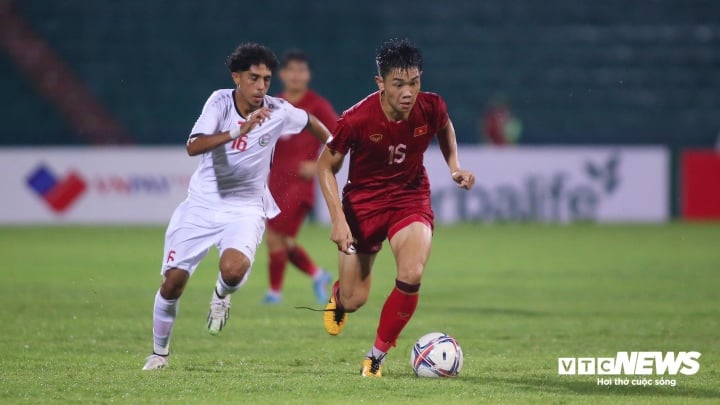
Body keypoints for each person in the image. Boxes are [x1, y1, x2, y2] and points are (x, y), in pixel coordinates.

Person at [142, 43, 331, 371]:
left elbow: (313, 122)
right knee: (172, 283)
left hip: (246, 207)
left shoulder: (278, 110)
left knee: (233, 269)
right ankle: (159, 354)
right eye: (254, 78)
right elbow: (193, 145)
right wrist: (237, 131)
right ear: (237, 77)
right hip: (201, 205)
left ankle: (221, 295)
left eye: (267, 80)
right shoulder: (219, 101)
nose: (261, 87)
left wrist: (332, 152)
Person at [316, 38, 475, 377]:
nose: (408, 92)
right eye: (398, 84)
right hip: (363, 206)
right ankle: (339, 297)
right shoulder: (356, 119)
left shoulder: (431, 107)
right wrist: (338, 220)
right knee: (354, 299)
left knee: (412, 272)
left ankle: (375, 357)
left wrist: (455, 166)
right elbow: (324, 167)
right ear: (381, 84)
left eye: (414, 82)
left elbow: (444, 127)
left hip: (409, 198)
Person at [263, 50, 338, 304]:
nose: (296, 75)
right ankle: (318, 275)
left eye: (301, 70)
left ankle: (274, 293)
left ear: (308, 75)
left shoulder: (317, 105)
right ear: (281, 74)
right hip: (274, 182)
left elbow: (338, 138)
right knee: (284, 240)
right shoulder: (272, 103)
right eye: (291, 70)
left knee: (275, 238)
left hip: (299, 184)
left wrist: (319, 164)